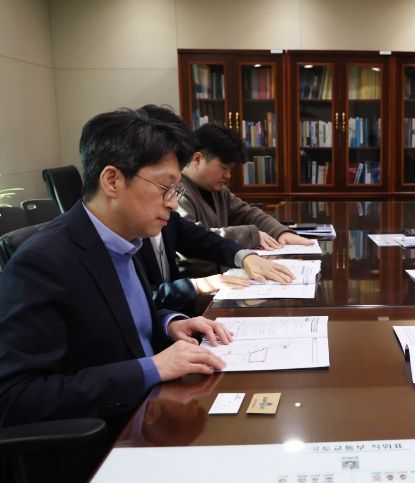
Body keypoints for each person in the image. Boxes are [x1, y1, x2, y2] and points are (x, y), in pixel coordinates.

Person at [0, 108, 232, 481]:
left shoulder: (126, 239)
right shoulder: (43, 262)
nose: (173, 203)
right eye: (165, 188)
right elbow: (16, 398)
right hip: (101, 449)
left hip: (153, 417)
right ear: (112, 180)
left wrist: (169, 323)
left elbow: (117, 317)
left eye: (176, 190)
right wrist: (151, 367)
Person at [135, 105, 294, 313]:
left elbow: (202, 236)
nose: (172, 203)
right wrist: (199, 286)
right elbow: (136, 300)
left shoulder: (213, 191)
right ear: (197, 159)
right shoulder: (169, 200)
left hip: (185, 307)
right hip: (195, 298)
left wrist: (260, 245)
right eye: (224, 168)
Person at [178, 123, 313, 277]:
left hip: (227, 276)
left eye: (230, 169)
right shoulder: (177, 194)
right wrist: (249, 235)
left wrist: (280, 232)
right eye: (224, 168)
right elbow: (195, 238)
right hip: (200, 283)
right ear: (197, 159)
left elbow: (248, 213)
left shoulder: (218, 191)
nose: (228, 175)